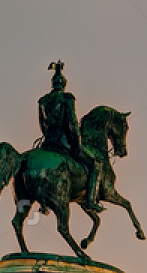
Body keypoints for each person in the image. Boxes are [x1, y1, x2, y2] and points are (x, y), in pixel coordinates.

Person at [38, 61, 103, 214]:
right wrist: (77, 141)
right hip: (64, 141)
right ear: (64, 85)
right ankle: (91, 201)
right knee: (96, 164)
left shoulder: (43, 101)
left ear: (53, 84)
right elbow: (72, 122)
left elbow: (42, 125)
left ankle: (44, 203)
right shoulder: (67, 98)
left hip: (48, 142)